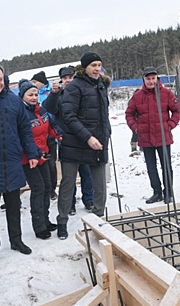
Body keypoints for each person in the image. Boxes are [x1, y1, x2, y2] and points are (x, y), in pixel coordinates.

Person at [0, 64, 41, 266]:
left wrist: (31, 153)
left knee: (15, 205)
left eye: (0, 80)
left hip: (13, 162)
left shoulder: (13, 101)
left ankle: (16, 240)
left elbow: (25, 130)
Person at [55, 53, 111, 240]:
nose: (97, 68)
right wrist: (87, 137)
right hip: (74, 142)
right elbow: (68, 116)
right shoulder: (74, 87)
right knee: (68, 183)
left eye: (99, 65)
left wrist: (106, 133)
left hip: (97, 141)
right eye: (93, 65)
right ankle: (62, 221)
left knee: (100, 183)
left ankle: (98, 219)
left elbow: (104, 114)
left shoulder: (101, 85)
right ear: (85, 67)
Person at [43, 66, 96, 218]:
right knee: (68, 176)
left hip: (83, 138)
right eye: (65, 78)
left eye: (70, 77)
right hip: (66, 140)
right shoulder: (58, 95)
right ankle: (70, 204)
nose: (68, 80)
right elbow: (49, 109)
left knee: (86, 173)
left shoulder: (82, 91)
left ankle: (89, 200)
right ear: (61, 80)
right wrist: (53, 94)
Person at [125, 67, 180, 204]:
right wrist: (136, 128)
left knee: (166, 166)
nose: (151, 81)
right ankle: (157, 192)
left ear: (157, 78)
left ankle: (168, 192)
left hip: (163, 137)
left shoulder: (166, 94)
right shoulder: (137, 96)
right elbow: (129, 114)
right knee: (151, 168)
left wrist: (170, 125)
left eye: (153, 78)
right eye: (148, 79)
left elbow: (177, 111)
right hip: (145, 138)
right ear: (143, 79)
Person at [18, 79, 62, 239]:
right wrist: (35, 152)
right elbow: (23, 137)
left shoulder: (41, 110)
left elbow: (51, 125)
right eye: (30, 94)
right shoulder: (21, 113)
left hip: (43, 155)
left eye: (36, 94)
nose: (34, 97)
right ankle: (39, 226)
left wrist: (59, 134)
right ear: (22, 96)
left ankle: (46, 219)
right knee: (38, 188)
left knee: (47, 186)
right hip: (28, 158)